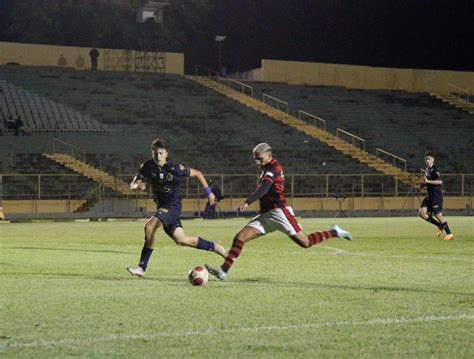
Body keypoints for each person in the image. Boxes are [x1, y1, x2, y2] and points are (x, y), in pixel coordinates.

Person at [206, 143, 352, 281]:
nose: (257, 162)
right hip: (266, 214)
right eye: (255, 159)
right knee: (239, 237)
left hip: (279, 212)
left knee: (306, 243)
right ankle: (223, 270)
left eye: (260, 158)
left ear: (269, 156)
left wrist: (247, 201)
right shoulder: (267, 168)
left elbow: (264, 189)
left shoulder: (272, 169)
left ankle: (334, 232)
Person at [127, 138, 226, 277]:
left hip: (173, 206)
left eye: (161, 153)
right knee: (181, 239)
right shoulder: (147, 166)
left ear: (166, 153)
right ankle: (215, 246)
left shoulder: (175, 168)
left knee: (149, 227)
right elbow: (133, 183)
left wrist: (208, 193)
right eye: (155, 153)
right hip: (162, 207)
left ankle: (141, 267)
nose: (158, 156)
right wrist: (137, 186)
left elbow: (197, 173)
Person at [418, 151, 453, 240]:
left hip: (436, 196)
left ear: (433, 160)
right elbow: (427, 182)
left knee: (438, 216)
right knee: (421, 213)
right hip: (429, 196)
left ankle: (449, 233)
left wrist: (428, 182)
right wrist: (423, 184)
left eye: (429, 159)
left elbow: (440, 181)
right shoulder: (427, 170)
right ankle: (439, 225)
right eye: (426, 159)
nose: (427, 160)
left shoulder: (435, 170)